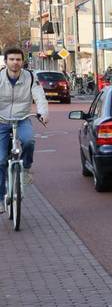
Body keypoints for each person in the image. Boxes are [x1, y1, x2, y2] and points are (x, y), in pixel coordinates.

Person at [0, 47, 49, 198]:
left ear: (22, 61)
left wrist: (43, 113)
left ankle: (25, 168)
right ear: (5, 61)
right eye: (12, 59)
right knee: (1, 160)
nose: (15, 62)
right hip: (1, 121)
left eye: (18, 59)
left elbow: (40, 97)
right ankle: (1, 197)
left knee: (29, 141)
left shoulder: (30, 77)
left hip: (22, 118)